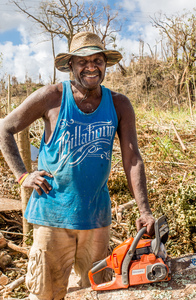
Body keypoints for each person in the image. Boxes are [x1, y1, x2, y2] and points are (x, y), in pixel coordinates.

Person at [0, 31, 155, 300]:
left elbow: (133, 158)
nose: (91, 66)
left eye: (98, 60)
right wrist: (23, 175)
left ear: (105, 64)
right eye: (83, 61)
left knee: (96, 291)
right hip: (52, 216)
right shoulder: (51, 97)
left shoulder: (119, 104)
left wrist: (144, 209)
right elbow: (4, 128)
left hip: (96, 219)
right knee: (47, 293)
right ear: (70, 64)